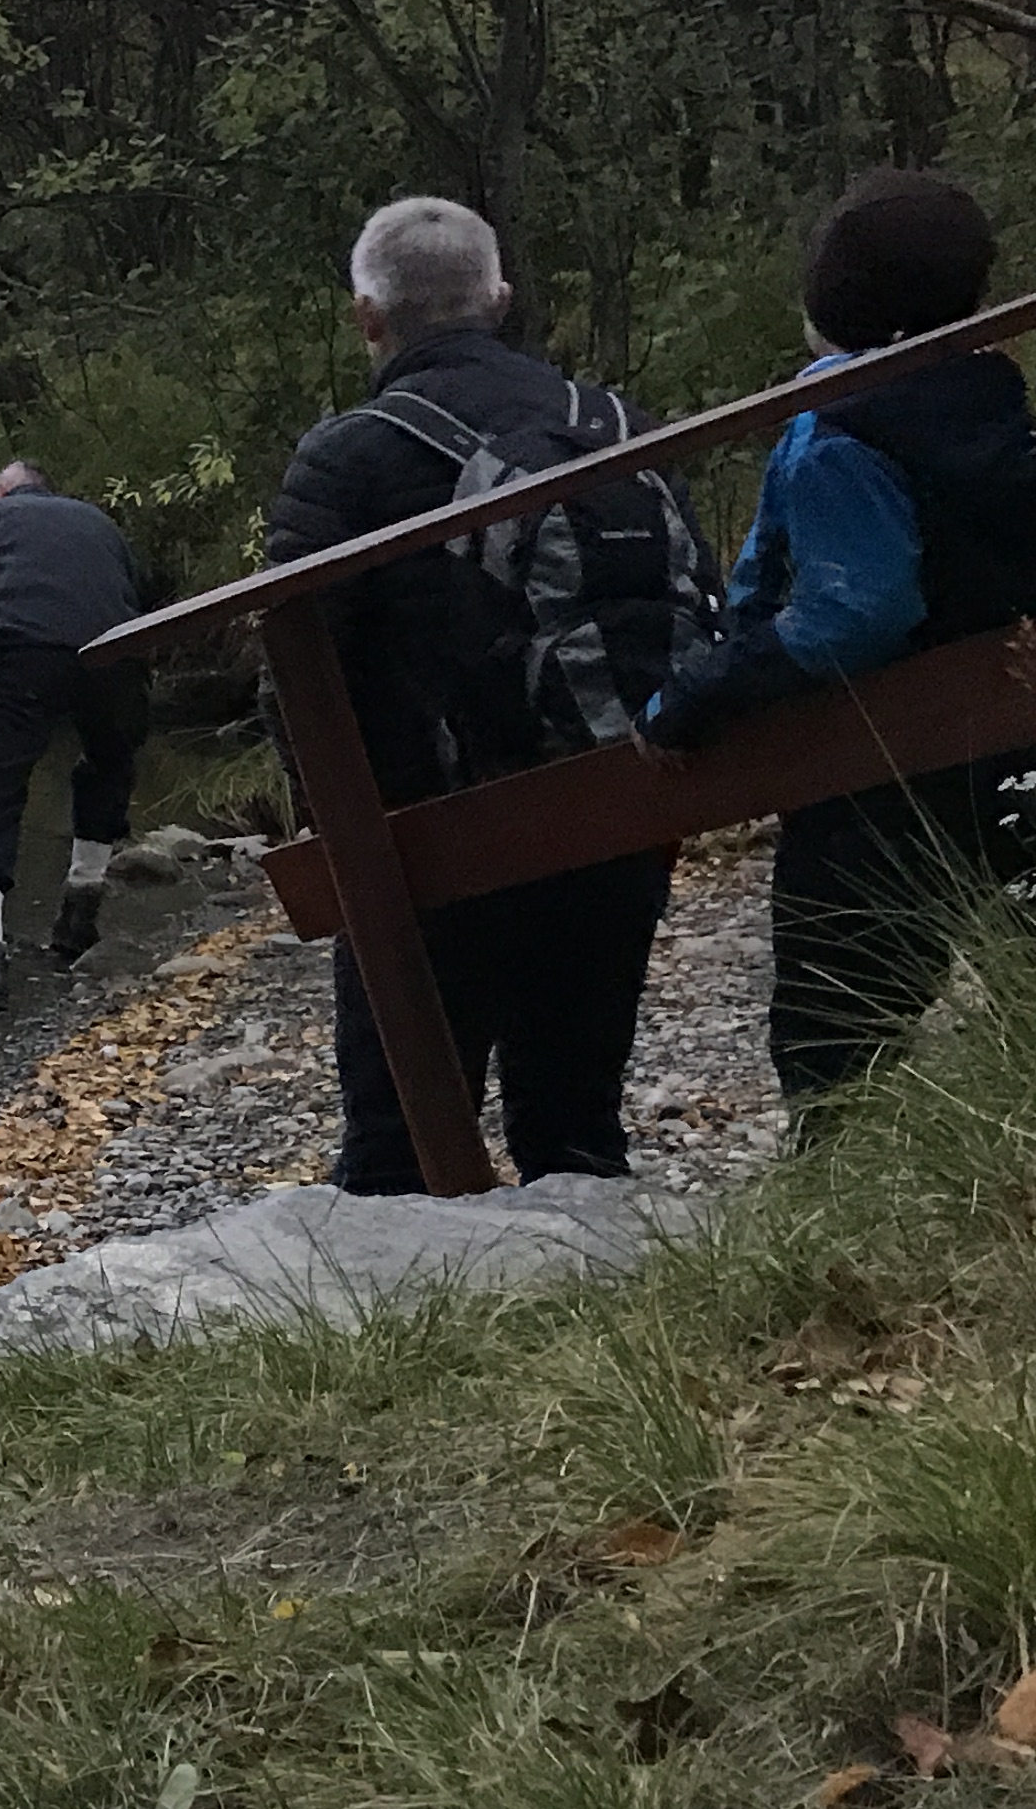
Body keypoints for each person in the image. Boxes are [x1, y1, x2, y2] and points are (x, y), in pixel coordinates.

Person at [263, 196, 688, 1195]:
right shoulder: (613, 423)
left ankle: (413, 1341)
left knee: (398, 1148)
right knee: (578, 1127)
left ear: (366, 317)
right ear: (500, 298)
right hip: (614, 806)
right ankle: (605, 1329)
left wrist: (334, 824)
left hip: (426, 844)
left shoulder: (347, 455)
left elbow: (295, 665)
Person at [644, 170, 1036, 1117]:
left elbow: (852, 613)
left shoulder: (836, 433)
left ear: (819, 310)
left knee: (836, 1032)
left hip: (875, 761)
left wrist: (700, 694)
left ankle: (837, 1215)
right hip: (1009, 732)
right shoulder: (994, 403)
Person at [0, 463, 148, 1004]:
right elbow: (134, 596)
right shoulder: (100, 524)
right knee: (109, 765)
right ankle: (79, 914)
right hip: (116, 651)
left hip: (18, 652)